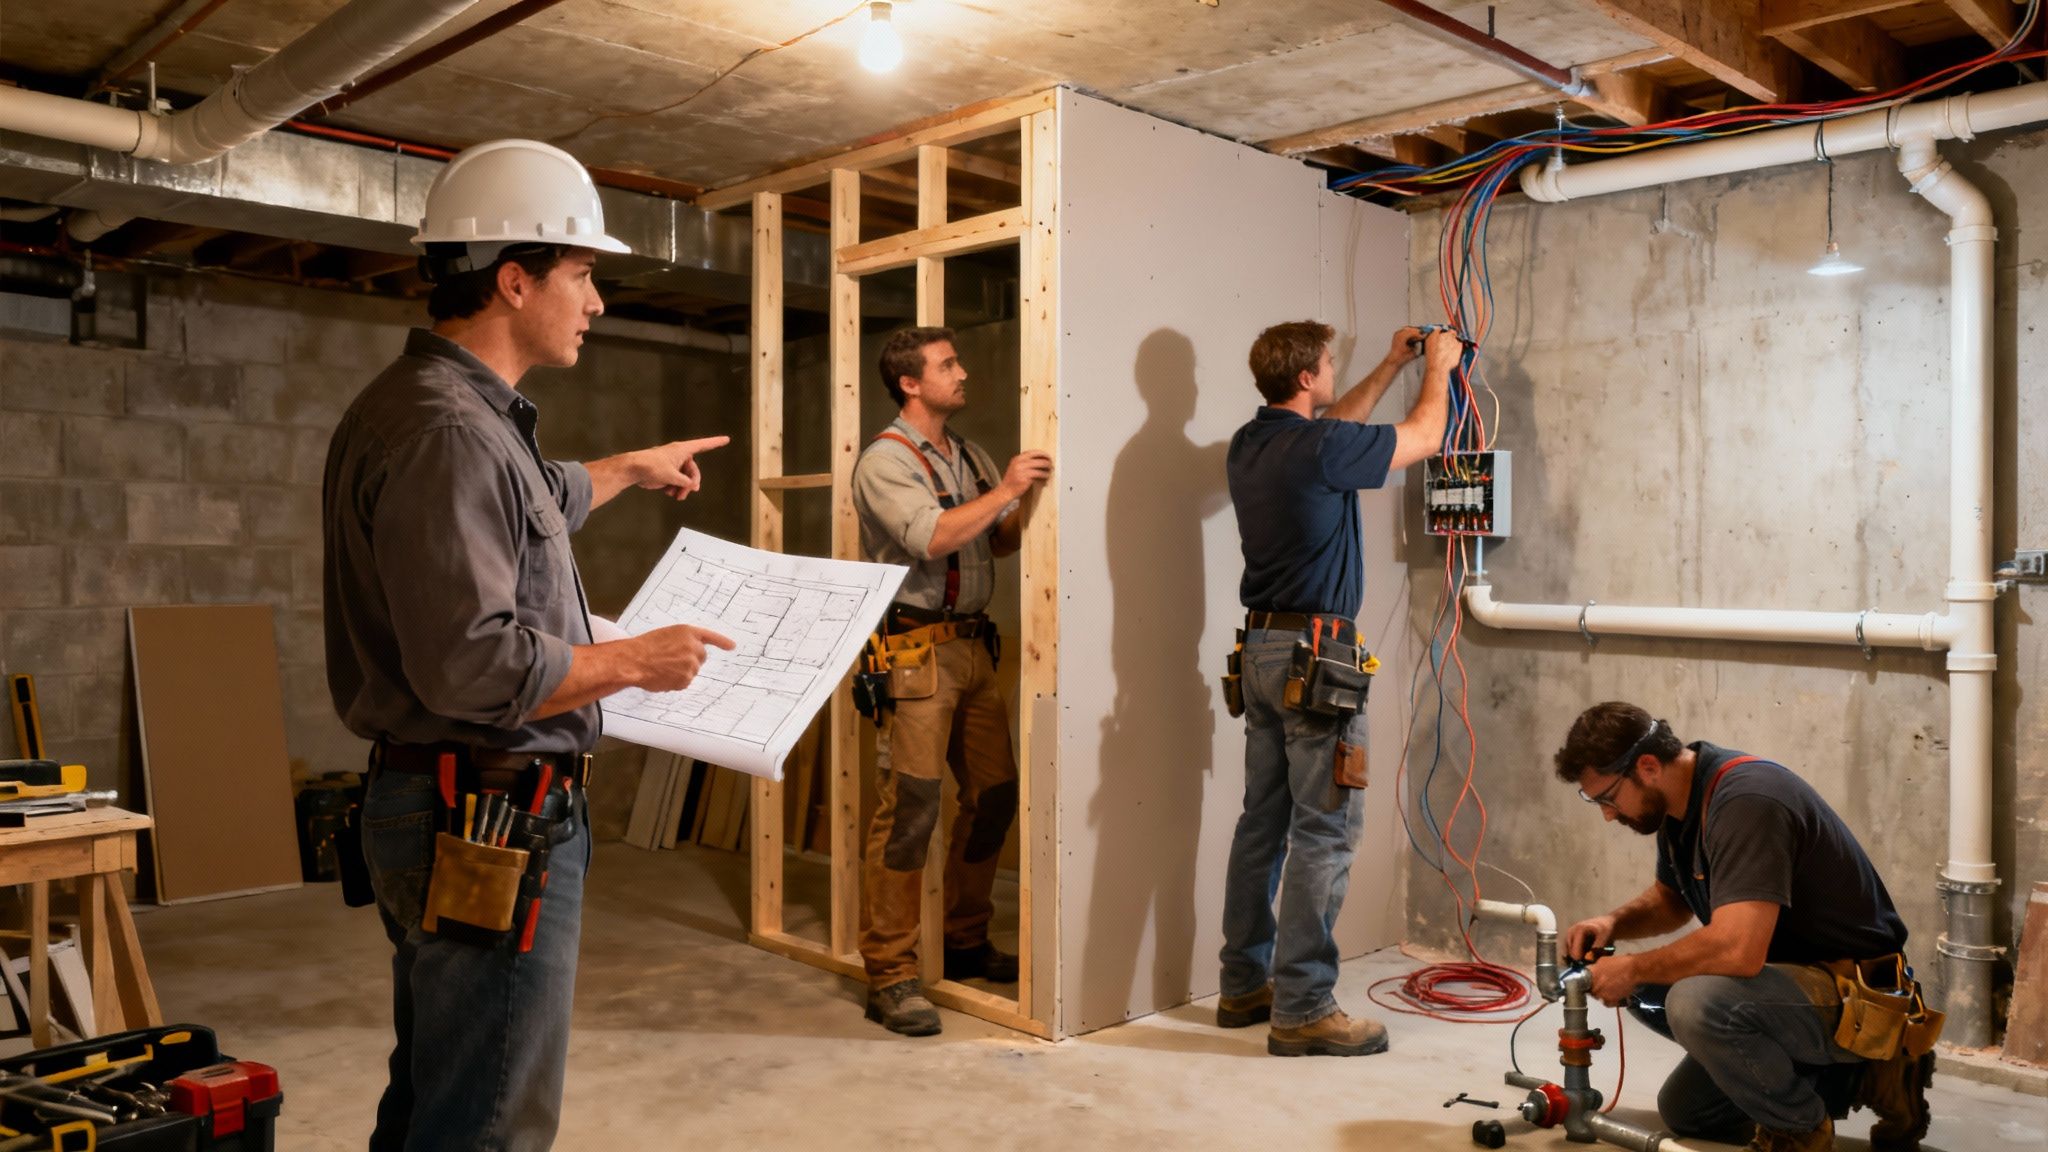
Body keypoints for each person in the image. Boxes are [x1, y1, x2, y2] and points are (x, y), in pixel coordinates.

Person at [324, 138, 734, 1150]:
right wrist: (638, 660)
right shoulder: (448, 433)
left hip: (463, 797)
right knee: (488, 1120)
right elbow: (473, 664)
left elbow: (536, 497)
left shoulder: (452, 415)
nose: (595, 301)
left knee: (439, 1093)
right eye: (583, 274)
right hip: (487, 812)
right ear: (515, 279)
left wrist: (629, 469)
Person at [1217, 320, 1459, 1055]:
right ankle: (1303, 1009)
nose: (1332, 373)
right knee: (1326, 830)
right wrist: (1436, 369)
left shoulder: (1255, 444)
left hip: (1261, 650)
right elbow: (1422, 436)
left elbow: (1337, 425)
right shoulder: (1319, 448)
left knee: (1262, 824)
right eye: (1328, 364)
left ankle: (1244, 987)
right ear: (1306, 379)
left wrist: (1389, 361)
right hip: (1317, 660)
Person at [1552, 701, 1937, 1152]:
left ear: (1648, 766)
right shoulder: (1678, 808)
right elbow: (1670, 901)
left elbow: (1738, 950)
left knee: (1695, 1002)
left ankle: (1801, 1128)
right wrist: (1612, 923)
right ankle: (1857, 1078)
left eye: (1608, 797)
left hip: (1856, 992)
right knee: (1688, 1111)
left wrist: (1634, 968)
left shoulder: (1746, 800)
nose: (1608, 814)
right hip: (1793, 986)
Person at [851, 326, 1051, 1035]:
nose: (961, 373)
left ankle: (964, 938)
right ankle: (892, 971)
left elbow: (995, 537)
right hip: (916, 657)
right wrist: (1003, 489)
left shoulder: (966, 453)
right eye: (947, 365)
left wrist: (1018, 502)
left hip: (973, 649)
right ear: (911, 383)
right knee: (910, 812)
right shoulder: (883, 461)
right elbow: (931, 537)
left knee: (995, 796)